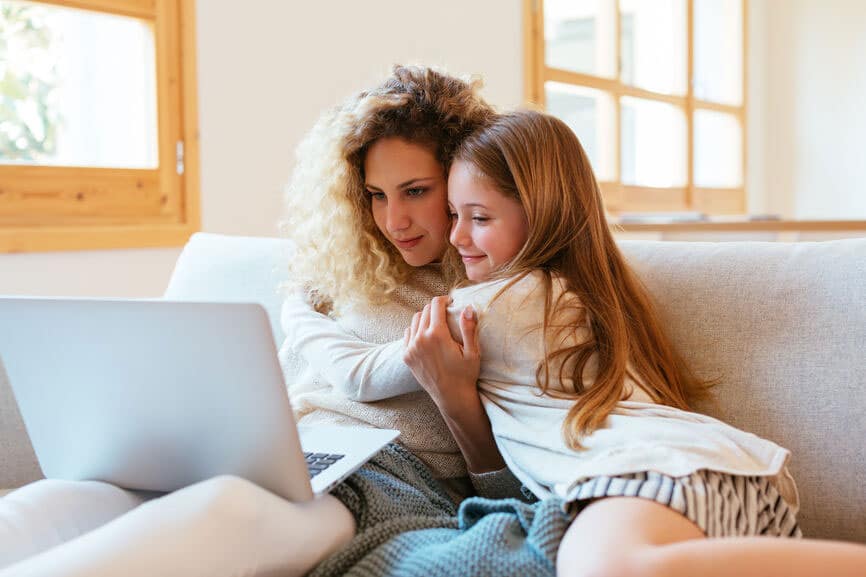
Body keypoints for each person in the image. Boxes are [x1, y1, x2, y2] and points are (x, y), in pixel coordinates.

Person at [0, 65, 522, 577]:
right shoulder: (341, 274)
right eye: (375, 195)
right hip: (279, 452)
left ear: (462, 179)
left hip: (382, 481)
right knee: (61, 501)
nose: (393, 221)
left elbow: (511, 490)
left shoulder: (495, 296)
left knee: (226, 509)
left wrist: (457, 402)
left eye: (415, 191)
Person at [402, 109, 866, 577]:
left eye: (478, 217)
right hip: (696, 493)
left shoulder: (503, 302)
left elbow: (358, 373)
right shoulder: (577, 302)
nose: (456, 236)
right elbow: (514, 493)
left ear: (543, 216)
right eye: (453, 216)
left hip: (661, 476)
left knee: (603, 567)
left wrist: (321, 319)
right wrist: (455, 400)